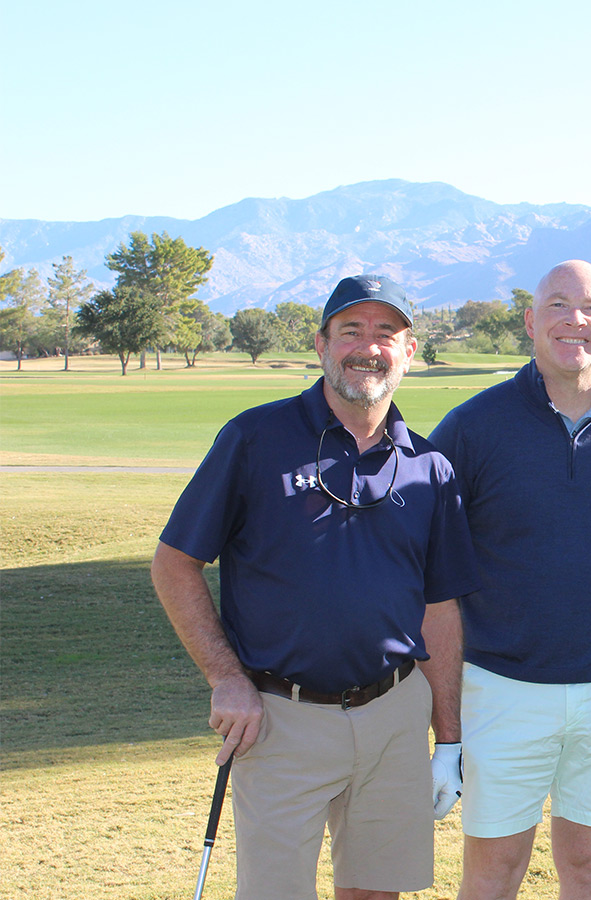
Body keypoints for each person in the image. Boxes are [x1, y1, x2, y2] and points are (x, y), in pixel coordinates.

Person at [151, 275, 479, 900]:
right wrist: (226, 678)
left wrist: (450, 737)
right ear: (322, 345)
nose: (368, 346)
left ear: (409, 352)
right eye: (350, 330)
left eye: (386, 333)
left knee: (378, 891)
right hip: (279, 718)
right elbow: (174, 564)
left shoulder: (431, 468)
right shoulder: (254, 438)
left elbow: (440, 606)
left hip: (392, 714)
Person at [429, 260, 591, 900]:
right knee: (494, 872)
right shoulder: (472, 427)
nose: (574, 320)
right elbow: (435, 557)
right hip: (500, 689)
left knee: (589, 870)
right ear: (530, 321)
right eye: (556, 305)